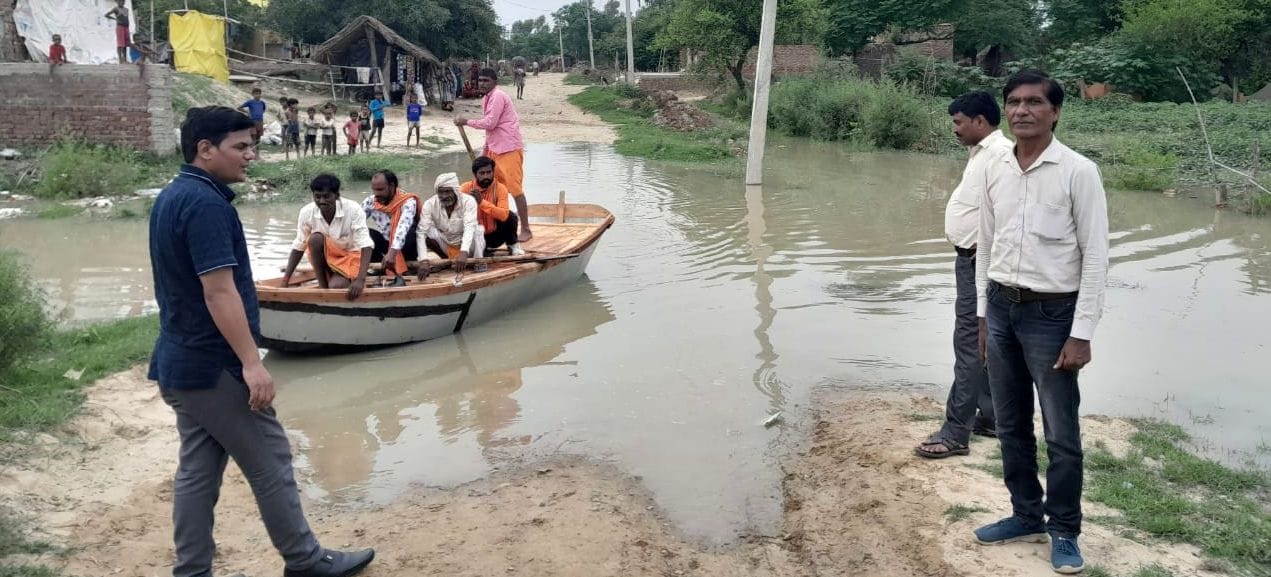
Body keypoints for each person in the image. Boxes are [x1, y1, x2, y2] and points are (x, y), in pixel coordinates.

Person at [148, 106, 375, 577]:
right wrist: (252, 363)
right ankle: (305, 560)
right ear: (205, 149)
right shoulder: (207, 205)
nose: (251, 155)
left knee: (197, 470)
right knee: (271, 459)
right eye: (240, 147)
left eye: (252, 145)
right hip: (216, 367)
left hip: (180, 362)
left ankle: (192, 570)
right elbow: (218, 291)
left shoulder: (173, 195)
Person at [973, 69, 1108, 575]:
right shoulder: (995, 167)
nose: (1022, 110)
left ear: (1055, 112)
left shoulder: (1078, 171)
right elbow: (987, 242)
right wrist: (983, 316)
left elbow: (1096, 256)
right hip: (1001, 308)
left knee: (1061, 432)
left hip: (1053, 315)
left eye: (1033, 102)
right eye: (1014, 102)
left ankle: (1065, 529)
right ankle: (1025, 515)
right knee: (1010, 424)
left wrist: (1082, 332)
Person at [914, 91, 1013, 460]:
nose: (954, 129)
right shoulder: (982, 153)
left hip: (980, 264)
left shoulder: (1000, 155)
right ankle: (991, 418)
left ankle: (956, 432)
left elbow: (1005, 216)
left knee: (969, 344)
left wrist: (986, 268)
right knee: (983, 343)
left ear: (980, 121)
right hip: (971, 260)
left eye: (958, 122)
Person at [455, 67, 534, 243]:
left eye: (486, 81)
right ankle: (495, 227)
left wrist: (466, 121)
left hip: (509, 148)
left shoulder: (498, 96)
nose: (482, 84)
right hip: (494, 148)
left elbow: (490, 123)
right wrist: (485, 152)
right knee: (493, 188)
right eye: (480, 80)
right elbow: (490, 131)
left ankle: (526, 229)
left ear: (494, 82)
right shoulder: (486, 99)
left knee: (515, 189)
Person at [281, 174, 374, 300]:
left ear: (336, 195)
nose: (322, 201)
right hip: (325, 259)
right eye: (317, 197)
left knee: (337, 286)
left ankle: (336, 281)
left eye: (326, 196)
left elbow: (366, 245)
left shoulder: (353, 209)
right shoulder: (306, 212)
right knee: (315, 239)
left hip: (350, 257)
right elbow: (299, 246)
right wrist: (285, 280)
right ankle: (323, 287)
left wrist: (360, 280)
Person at [417, 172, 483, 281]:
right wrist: (423, 260)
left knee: (477, 230)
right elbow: (421, 233)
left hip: (470, 247)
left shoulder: (468, 201)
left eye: (448, 191)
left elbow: (469, 228)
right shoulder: (429, 204)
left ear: (455, 191)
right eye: (441, 192)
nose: (444, 196)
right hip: (448, 244)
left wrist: (464, 252)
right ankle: (447, 261)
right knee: (424, 230)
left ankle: (479, 263)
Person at [362, 170, 420, 287]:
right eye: (374, 190)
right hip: (386, 243)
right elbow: (355, 223)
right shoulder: (371, 201)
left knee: (411, 233)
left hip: (405, 245)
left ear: (392, 186)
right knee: (365, 233)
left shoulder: (408, 201)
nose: (376, 194)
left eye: (380, 190)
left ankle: (406, 267)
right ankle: (380, 265)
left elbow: (402, 229)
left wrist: (392, 254)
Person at [461, 156, 524, 257]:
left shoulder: (500, 188)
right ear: (475, 174)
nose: (486, 176)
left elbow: (504, 215)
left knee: (511, 216)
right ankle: (479, 249)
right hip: (475, 235)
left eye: (489, 172)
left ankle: (513, 245)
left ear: (493, 172)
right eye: (482, 173)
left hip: (496, 235)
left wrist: (481, 202)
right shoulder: (465, 188)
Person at [105, 0, 129, 64]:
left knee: (125, 44)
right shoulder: (116, 9)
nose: (121, 2)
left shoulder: (126, 9)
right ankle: (120, 59)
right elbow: (106, 15)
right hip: (120, 27)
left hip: (126, 27)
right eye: (120, 1)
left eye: (123, 1)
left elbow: (127, 18)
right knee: (120, 44)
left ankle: (125, 59)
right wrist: (115, 18)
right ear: (117, 2)